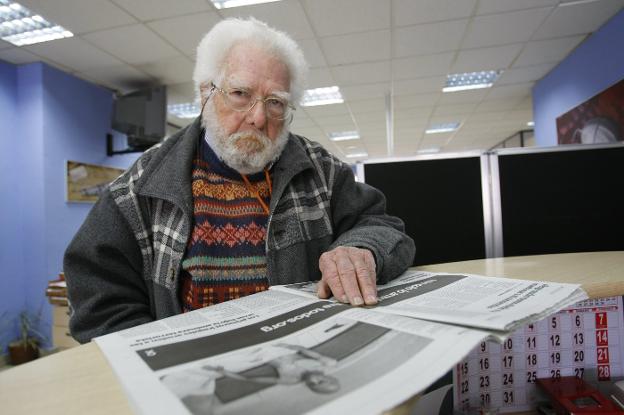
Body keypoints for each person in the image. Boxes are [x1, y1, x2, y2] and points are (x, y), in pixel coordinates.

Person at [64, 17, 415, 343]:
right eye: (240, 94)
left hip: (308, 362)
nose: (259, 117)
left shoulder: (322, 170)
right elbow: (99, 299)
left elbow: (381, 224)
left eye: (276, 102)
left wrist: (361, 249)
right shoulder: (141, 186)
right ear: (206, 93)